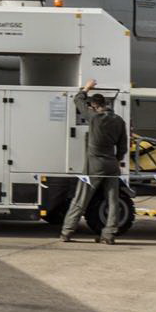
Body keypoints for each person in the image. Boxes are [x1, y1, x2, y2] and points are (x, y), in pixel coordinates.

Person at [61, 81, 129, 244]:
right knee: (113, 200)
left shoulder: (94, 117)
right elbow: (123, 146)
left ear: (93, 106)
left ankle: (67, 231)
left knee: (81, 198)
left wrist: (86, 88)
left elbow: (78, 100)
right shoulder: (119, 121)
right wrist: (116, 159)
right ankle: (110, 234)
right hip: (112, 164)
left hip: (94, 165)